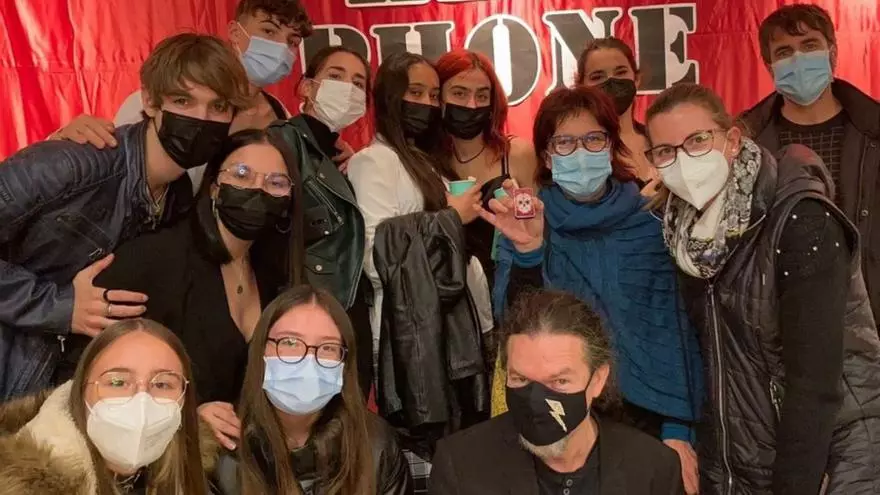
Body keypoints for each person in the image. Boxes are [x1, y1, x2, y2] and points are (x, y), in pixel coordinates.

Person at [645, 82, 880, 494]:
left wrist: (796, 483)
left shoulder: (800, 219)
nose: (684, 160)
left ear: (732, 140)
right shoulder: (682, 235)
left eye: (698, 140)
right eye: (666, 151)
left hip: (827, 458)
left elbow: (816, 382)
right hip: (741, 457)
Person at [0, 33, 250, 400]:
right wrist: (59, 306)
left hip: (62, 391)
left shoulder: (180, 199)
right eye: (183, 101)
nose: (201, 119)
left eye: (218, 107)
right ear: (149, 101)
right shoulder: (75, 163)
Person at [483, 85, 703, 494]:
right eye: (564, 142)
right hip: (558, 412)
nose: (580, 152)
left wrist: (678, 428)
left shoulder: (651, 219)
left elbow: (675, 330)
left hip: (649, 417)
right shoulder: (526, 220)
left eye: (593, 139)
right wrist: (530, 252)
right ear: (547, 156)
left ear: (611, 144)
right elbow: (513, 324)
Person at [50, 129, 303, 452]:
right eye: (242, 174)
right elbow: (81, 377)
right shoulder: (152, 260)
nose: (257, 189)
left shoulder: (272, 276)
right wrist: (179, 417)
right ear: (214, 186)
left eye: (276, 183)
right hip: (140, 458)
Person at [347, 51, 492, 493]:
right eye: (415, 92)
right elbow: (376, 256)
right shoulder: (373, 161)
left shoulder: (425, 161)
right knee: (420, 458)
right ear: (390, 97)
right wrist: (449, 217)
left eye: (433, 94)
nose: (427, 103)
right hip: (407, 337)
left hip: (452, 330)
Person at [429, 289, 684, 495]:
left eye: (559, 381)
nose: (535, 400)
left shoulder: (654, 468)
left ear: (597, 380)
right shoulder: (461, 465)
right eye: (521, 379)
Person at [740, 4, 880, 331]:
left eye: (809, 45)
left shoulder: (874, 129)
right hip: (787, 321)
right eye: (784, 51)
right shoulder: (746, 142)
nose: (798, 59)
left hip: (871, 312)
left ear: (833, 52)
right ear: (769, 66)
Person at [211, 285, 413, 494]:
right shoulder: (223, 455)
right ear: (260, 351)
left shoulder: (377, 447)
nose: (308, 360)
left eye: (328, 347)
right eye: (290, 342)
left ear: (344, 363)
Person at [0, 319, 214, 494]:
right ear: (81, 391)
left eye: (162, 384)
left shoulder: (190, 468)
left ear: (184, 397)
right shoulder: (24, 486)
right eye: (118, 382)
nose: (142, 401)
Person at [268, 45, 374, 397]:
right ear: (306, 86)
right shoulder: (282, 141)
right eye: (335, 76)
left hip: (346, 309)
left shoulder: (343, 158)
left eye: (358, 83)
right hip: (305, 311)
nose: (347, 89)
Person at [435, 49, 539, 289]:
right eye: (459, 93)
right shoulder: (427, 162)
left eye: (482, 96)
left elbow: (537, 227)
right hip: (451, 293)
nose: (472, 105)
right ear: (438, 97)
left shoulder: (518, 154)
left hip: (512, 285)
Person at [575, 37, 659, 196]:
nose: (611, 82)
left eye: (620, 72)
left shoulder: (659, 139)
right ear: (581, 85)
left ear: (636, 79)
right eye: (597, 77)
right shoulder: (576, 151)